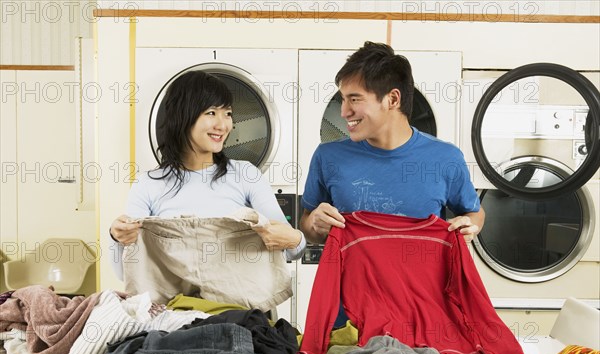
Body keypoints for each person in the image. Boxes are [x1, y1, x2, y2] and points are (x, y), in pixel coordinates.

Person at [299, 42, 485, 326]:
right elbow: (307, 226)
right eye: (343, 100)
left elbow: (474, 212)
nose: (344, 111)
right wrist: (314, 224)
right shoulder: (328, 157)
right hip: (347, 320)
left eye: (355, 99)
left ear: (392, 99)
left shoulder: (445, 158)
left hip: (423, 316)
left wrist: (471, 225)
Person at [110, 70, 306, 281]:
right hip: (174, 309)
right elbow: (125, 273)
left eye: (228, 113)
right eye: (211, 113)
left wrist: (296, 238)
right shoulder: (147, 185)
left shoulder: (246, 175)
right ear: (183, 116)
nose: (223, 125)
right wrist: (117, 237)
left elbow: (292, 250)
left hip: (237, 310)